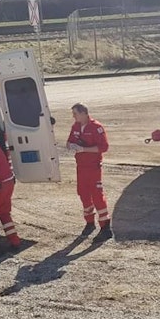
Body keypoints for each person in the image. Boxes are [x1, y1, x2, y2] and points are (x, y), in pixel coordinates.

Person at [67, 103, 112, 242]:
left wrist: (83, 149)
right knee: (83, 194)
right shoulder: (75, 126)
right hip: (81, 167)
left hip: (93, 168)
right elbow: (69, 142)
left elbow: (103, 147)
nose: (73, 116)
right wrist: (71, 146)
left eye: (75, 113)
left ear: (84, 113)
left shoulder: (96, 127)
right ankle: (90, 222)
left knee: (97, 195)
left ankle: (105, 228)